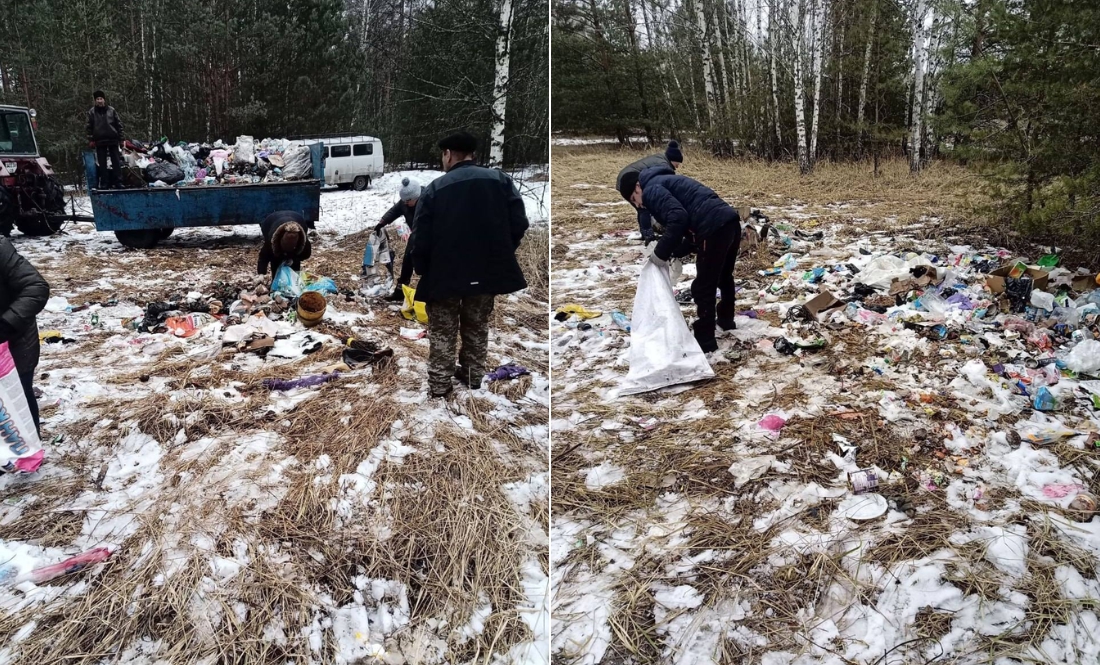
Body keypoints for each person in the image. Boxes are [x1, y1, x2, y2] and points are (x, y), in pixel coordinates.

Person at [411, 131, 529, 398]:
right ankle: (474, 377)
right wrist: (502, 252)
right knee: (477, 325)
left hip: (445, 274)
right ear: (472, 154)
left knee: (443, 330)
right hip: (486, 272)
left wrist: (422, 268)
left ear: (448, 154)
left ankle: (440, 385)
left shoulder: (435, 189)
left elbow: (421, 236)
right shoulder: (500, 181)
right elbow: (519, 223)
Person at [619, 165, 740, 353]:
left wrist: (660, 254)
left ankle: (705, 342)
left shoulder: (651, 190)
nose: (639, 205)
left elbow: (678, 218)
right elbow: (690, 223)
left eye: (634, 200)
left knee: (703, 287)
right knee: (724, 275)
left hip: (713, 228)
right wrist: (677, 251)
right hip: (730, 221)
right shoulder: (664, 181)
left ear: (637, 187)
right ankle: (726, 320)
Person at [0, 238, 49, 437]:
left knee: (18, 400)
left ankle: (26, 455)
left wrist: (6, 324)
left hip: (13, 343)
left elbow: (36, 287)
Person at [615, 140, 683, 243]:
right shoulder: (664, 165)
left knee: (642, 207)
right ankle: (648, 236)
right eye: (678, 163)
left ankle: (646, 232)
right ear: (673, 160)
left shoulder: (661, 158)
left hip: (627, 178)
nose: (678, 166)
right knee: (643, 207)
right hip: (628, 180)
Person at [375, 177, 422, 302]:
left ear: (416, 197)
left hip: (430, 237)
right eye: (404, 201)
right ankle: (400, 292)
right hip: (415, 235)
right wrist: (381, 223)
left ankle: (425, 294)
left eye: (408, 201)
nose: (405, 203)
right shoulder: (405, 201)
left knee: (426, 265)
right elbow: (394, 211)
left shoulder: (428, 200)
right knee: (407, 262)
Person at [86, 91, 124, 190]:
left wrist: (121, 139)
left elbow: (118, 125)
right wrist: (91, 139)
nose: (99, 101)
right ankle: (104, 183)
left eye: (101, 99)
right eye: (97, 99)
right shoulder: (92, 112)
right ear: (95, 101)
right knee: (102, 164)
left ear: (104, 99)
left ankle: (118, 182)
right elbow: (89, 127)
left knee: (116, 162)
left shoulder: (111, 110)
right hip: (100, 141)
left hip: (112, 139)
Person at [257, 211, 313, 278]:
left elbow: (306, 254)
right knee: (275, 260)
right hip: (270, 221)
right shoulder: (272, 240)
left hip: (298, 218)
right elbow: (263, 257)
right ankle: (276, 280)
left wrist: (293, 259)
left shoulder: (303, 242)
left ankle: (293, 282)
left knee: (295, 263)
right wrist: (261, 273)